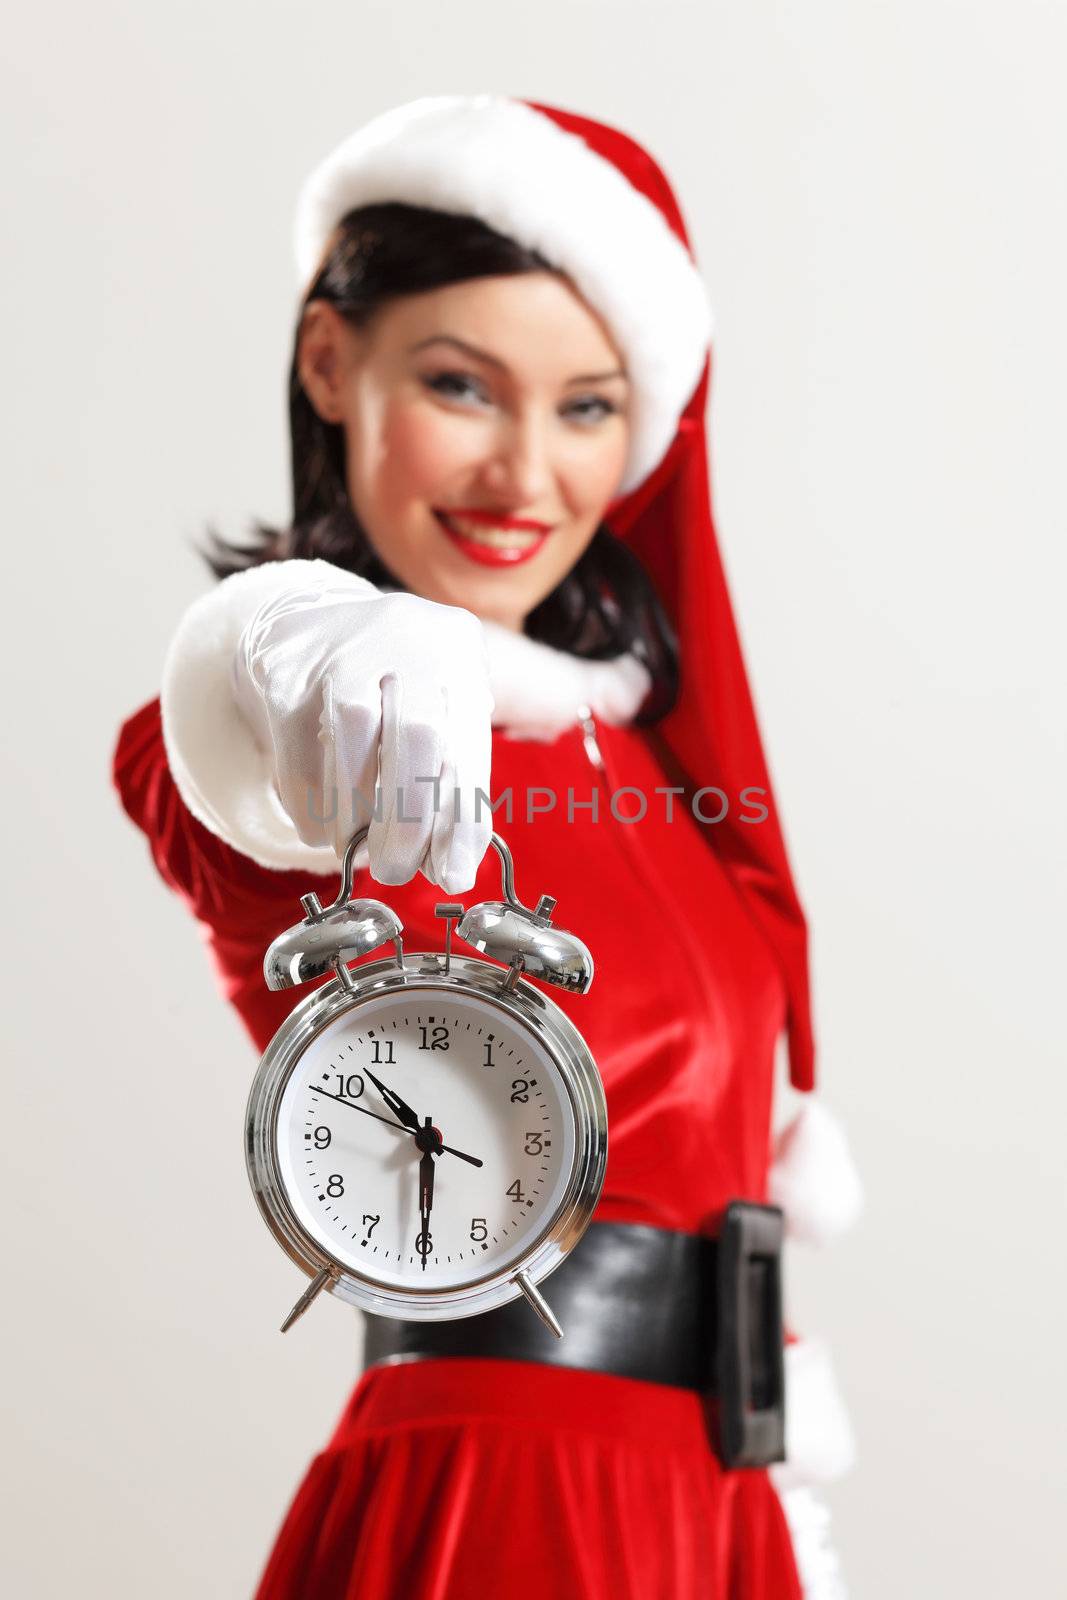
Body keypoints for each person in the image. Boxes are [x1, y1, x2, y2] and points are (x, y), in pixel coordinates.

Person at [112, 95, 861, 1600]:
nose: (527, 474)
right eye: (463, 384)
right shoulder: (342, 734)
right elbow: (222, 743)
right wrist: (289, 637)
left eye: (586, 406)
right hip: (507, 1502)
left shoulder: (639, 760)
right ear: (331, 364)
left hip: (722, 1510)